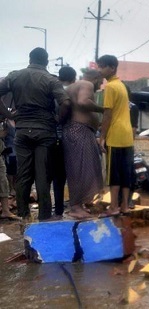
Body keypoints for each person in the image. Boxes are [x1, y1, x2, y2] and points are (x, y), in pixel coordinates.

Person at [0, 48, 71, 221]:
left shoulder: (14, 76)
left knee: (23, 175)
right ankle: (44, 217)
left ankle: (24, 216)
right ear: (46, 61)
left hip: (22, 131)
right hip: (45, 132)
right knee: (43, 176)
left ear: (30, 59)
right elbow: (66, 103)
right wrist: (57, 120)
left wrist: (9, 115)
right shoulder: (50, 80)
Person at [63, 70, 105, 219]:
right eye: (100, 81)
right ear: (96, 78)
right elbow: (83, 101)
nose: (100, 85)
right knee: (82, 171)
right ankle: (75, 207)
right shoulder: (86, 84)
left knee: (80, 170)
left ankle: (80, 205)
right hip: (79, 131)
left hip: (76, 131)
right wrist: (103, 109)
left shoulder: (72, 87)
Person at [96, 55, 134, 217]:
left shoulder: (110, 87)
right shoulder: (122, 86)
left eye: (103, 66)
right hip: (127, 136)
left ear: (112, 68)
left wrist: (102, 137)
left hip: (115, 135)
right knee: (126, 173)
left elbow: (107, 114)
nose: (100, 69)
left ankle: (113, 207)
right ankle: (124, 206)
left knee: (114, 174)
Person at [53, 66, 77, 218]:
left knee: (57, 177)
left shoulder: (52, 90)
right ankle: (76, 206)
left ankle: (58, 209)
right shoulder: (73, 91)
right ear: (74, 78)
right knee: (74, 174)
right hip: (71, 137)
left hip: (52, 138)